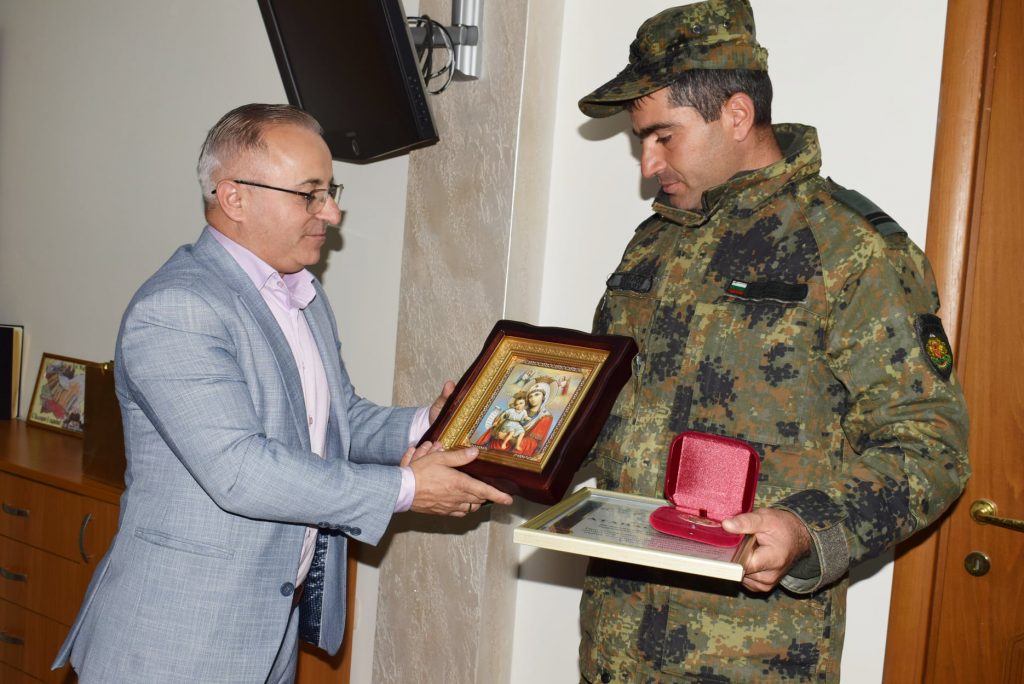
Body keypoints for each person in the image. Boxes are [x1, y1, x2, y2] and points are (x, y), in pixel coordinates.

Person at [574, 1, 970, 681]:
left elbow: (930, 448)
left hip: (752, 655)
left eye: (663, 136)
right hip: (617, 645)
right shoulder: (653, 245)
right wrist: (510, 435)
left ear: (735, 114)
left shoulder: (850, 249)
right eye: (642, 140)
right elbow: (606, 406)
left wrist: (805, 528)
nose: (647, 164)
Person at [51, 103, 512, 683]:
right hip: (178, 642)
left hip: (269, 632)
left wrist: (432, 422)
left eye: (330, 191)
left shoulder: (301, 294)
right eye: (309, 194)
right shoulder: (177, 308)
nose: (332, 212)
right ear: (234, 198)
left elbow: (336, 420)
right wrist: (407, 488)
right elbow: (239, 470)